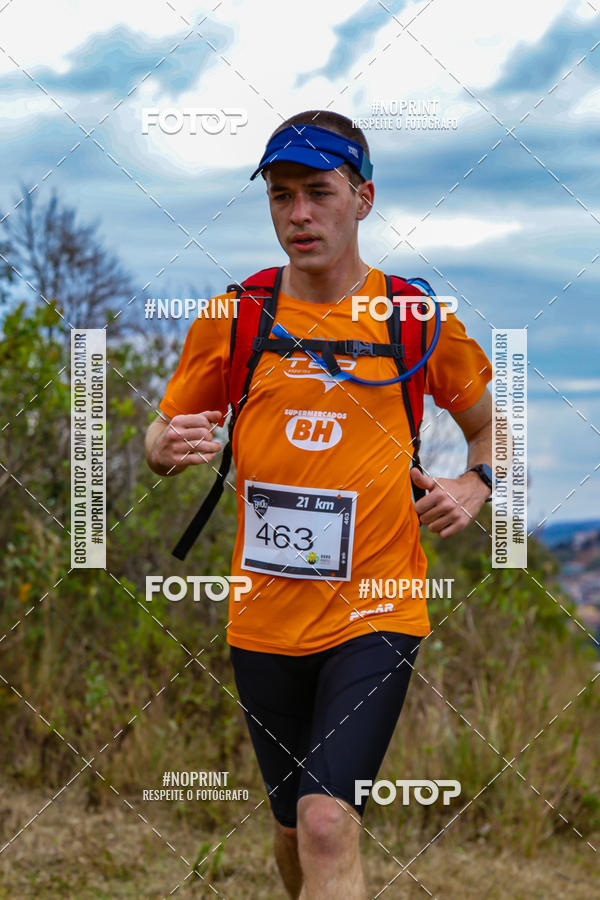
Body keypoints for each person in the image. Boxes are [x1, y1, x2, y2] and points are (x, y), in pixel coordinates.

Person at [145, 110, 493, 899]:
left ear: (362, 198)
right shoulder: (236, 317)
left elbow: (490, 430)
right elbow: (161, 433)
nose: (298, 215)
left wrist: (479, 483)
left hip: (377, 609)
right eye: (281, 196)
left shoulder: (413, 319)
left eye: (318, 193)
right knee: (292, 829)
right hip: (263, 615)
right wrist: (162, 448)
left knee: (329, 822)